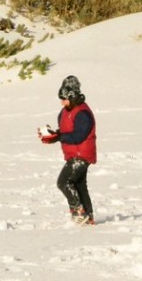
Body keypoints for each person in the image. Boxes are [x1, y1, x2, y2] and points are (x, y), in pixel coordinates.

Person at [39, 75, 97, 225]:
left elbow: (78, 136)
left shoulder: (83, 113)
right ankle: (88, 216)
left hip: (82, 155)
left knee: (63, 182)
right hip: (73, 154)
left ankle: (78, 210)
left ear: (72, 96)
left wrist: (59, 137)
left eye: (64, 98)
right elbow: (65, 132)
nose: (61, 102)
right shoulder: (64, 111)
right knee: (79, 185)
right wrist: (53, 135)